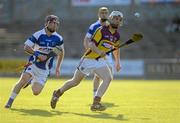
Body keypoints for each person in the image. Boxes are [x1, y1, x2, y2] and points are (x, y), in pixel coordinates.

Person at [50, 11, 123, 111]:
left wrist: (118, 61)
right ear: (110, 19)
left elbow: (116, 48)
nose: (117, 21)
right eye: (115, 19)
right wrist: (99, 51)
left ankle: (96, 103)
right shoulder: (101, 30)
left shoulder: (117, 36)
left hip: (100, 60)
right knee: (75, 82)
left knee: (108, 78)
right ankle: (57, 93)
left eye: (119, 20)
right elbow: (91, 44)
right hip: (88, 59)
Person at [5, 15, 65, 108]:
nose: (55, 26)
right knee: (22, 81)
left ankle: (31, 80)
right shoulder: (38, 34)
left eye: (57, 24)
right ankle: (9, 102)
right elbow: (26, 47)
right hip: (33, 64)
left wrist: (58, 67)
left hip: (45, 69)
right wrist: (37, 54)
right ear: (47, 23)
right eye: (53, 23)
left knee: (36, 92)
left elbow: (61, 52)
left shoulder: (58, 38)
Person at [83, 7, 121, 97]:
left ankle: (97, 97)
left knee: (109, 76)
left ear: (108, 15)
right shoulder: (94, 26)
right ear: (99, 14)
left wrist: (117, 61)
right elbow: (87, 40)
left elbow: (115, 45)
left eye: (105, 13)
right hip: (96, 54)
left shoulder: (111, 26)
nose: (104, 14)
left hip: (107, 55)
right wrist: (88, 51)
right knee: (98, 76)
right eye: (102, 13)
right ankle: (95, 95)